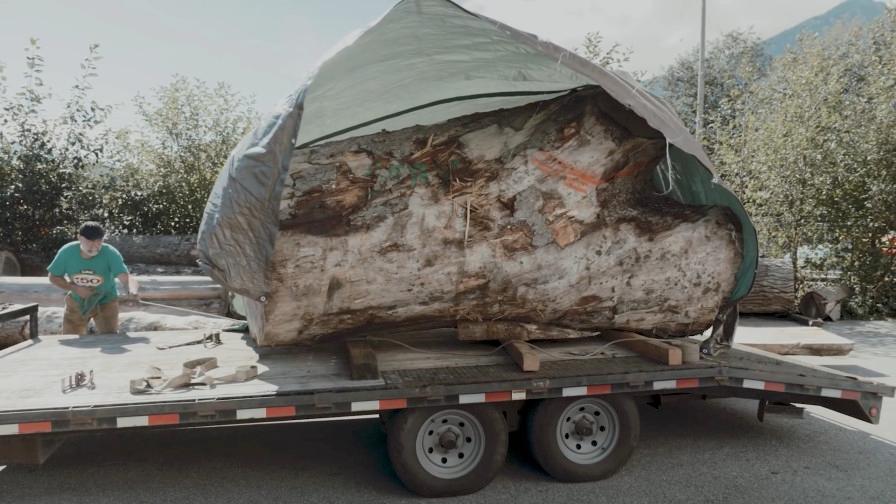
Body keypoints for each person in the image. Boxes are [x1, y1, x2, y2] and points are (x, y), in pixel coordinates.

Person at [47, 222, 138, 335]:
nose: (94, 247)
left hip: (106, 301)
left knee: (110, 339)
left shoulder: (110, 253)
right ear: (79, 238)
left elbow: (126, 277)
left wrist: (132, 290)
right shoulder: (67, 252)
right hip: (77, 301)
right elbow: (53, 277)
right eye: (90, 242)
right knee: (70, 339)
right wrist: (75, 288)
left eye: (98, 242)